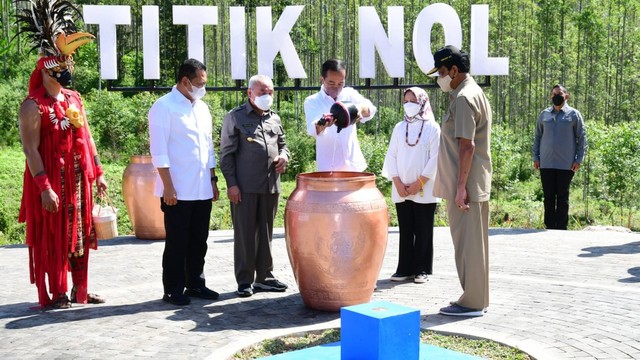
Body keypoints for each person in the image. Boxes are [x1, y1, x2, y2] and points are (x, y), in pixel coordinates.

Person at [17, 0, 107, 309]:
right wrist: (45, 188)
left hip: (79, 179)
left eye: (68, 64)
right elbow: (30, 148)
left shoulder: (74, 99)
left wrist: (99, 173)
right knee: (53, 235)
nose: (67, 69)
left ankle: (79, 291)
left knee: (79, 232)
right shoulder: (32, 105)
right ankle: (56, 293)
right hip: (53, 180)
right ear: (46, 68)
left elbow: (88, 137)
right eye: (61, 65)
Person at [148, 58, 220, 306]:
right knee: (177, 241)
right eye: (199, 83)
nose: (203, 87)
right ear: (185, 81)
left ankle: (195, 284)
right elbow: (159, 150)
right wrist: (167, 185)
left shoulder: (202, 107)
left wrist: (213, 180)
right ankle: (173, 288)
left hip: (201, 186)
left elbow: (208, 148)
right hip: (176, 188)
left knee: (199, 240)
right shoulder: (164, 107)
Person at [428, 45, 492, 317]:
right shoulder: (472, 92)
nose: (440, 78)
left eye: (442, 72)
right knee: (473, 246)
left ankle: (472, 302)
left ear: (454, 70)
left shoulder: (464, 98)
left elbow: (467, 146)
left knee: (469, 247)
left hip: (465, 185)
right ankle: (475, 298)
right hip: (471, 183)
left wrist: (460, 188)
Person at [220, 75, 290, 298]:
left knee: (267, 234)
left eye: (270, 92)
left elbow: (283, 145)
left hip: (270, 186)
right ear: (250, 93)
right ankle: (244, 280)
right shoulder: (235, 117)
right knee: (245, 235)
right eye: (262, 93)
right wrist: (232, 185)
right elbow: (227, 155)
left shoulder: (274, 118)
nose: (267, 97)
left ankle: (264, 278)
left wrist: (284, 157)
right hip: (245, 187)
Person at [382, 87, 441, 284]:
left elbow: (436, 158)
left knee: (423, 229)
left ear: (423, 102)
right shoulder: (399, 128)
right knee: (405, 229)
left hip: (424, 187)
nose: (409, 105)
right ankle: (404, 268)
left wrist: (420, 182)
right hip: (401, 187)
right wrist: (397, 181)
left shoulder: (433, 127)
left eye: (413, 101)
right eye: (406, 101)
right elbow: (391, 155)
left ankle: (421, 268)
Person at [304, 59, 377, 171]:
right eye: (331, 83)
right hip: (329, 168)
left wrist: (359, 109)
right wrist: (322, 124)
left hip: (354, 166)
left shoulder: (349, 93)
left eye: (341, 83)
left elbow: (370, 109)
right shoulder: (312, 101)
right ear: (322, 79)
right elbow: (312, 128)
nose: (336, 87)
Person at [532, 85, 587, 230]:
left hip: (566, 164)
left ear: (566, 96)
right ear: (551, 97)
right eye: (554, 94)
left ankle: (561, 229)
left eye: (560, 93)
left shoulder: (574, 115)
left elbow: (582, 138)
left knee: (563, 197)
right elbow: (537, 137)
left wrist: (578, 159)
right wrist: (535, 157)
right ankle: (549, 226)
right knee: (548, 197)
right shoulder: (544, 114)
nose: (557, 96)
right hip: (546, 162)